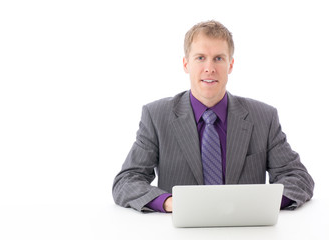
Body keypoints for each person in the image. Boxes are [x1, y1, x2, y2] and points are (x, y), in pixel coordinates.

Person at [112, 20, 314, 213]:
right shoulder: (157, 117)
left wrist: (262, 203)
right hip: (178, 232)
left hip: (248, 230)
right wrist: (169, 203)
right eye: (200, 58)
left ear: (231, 65)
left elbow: (298, 178)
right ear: (186, 64)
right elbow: (127, 181)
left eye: (219, 58)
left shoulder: (264, 117)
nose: (210, 68)